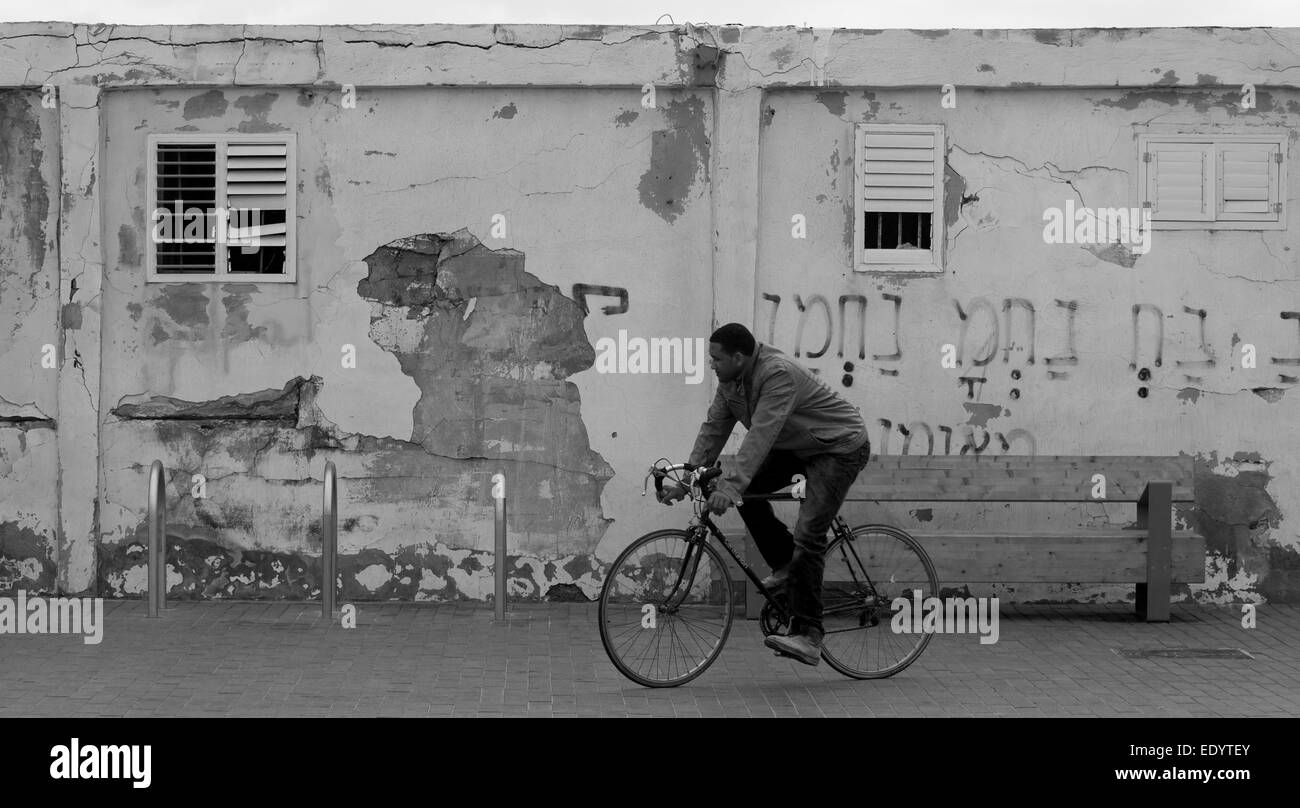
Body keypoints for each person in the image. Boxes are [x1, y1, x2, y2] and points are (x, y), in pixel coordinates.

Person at [657, 322, 871, 665]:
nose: (711, 365)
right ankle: (787, 566)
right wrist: (686, 482)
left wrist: (729, 486)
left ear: (740, 357)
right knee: (751, 491)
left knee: (809, 533)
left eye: (716, 359)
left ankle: (809, 635)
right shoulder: (731, 383)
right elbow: (713, 429)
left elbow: (761, 435)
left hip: (838, 446)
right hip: (799, 445)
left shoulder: (777, 375)